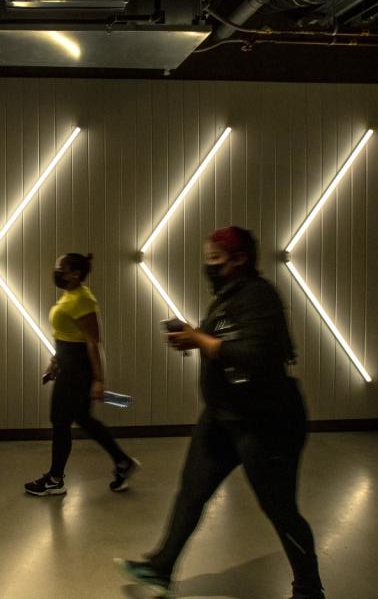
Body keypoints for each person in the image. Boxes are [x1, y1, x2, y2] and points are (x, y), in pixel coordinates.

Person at [115, 227, 325, 599]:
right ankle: (161, 567)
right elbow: (225, 346)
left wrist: (200, 339)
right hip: (221, 419)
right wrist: (194, 339)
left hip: (265, 423)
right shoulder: (227, 298)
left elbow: (256, 356)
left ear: (240, 259)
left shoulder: (260, 297)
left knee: (279, 508)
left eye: (215, 259)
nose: (207, 266)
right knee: (191, 492)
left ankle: (309, 589)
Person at [25, 253, 139, 496]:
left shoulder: (84, 300)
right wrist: (56, 361)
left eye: (61, 268)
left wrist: (98, 380)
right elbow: (67, 335)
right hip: (68, 364)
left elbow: (92, 342)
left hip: (77, 370)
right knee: (84, 419)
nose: (56, 270)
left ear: (75, 273)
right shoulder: (71, 295)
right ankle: (123, 462)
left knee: (60, 420)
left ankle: (55, 479)